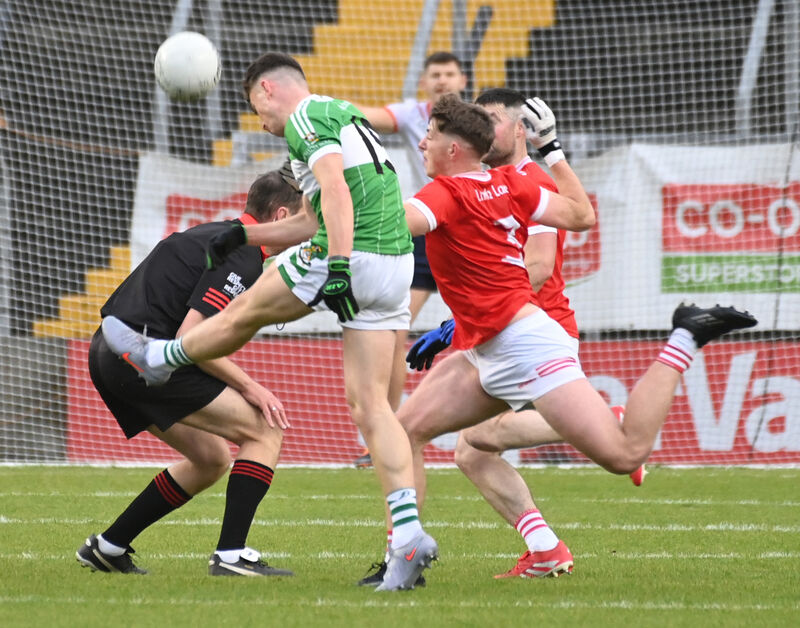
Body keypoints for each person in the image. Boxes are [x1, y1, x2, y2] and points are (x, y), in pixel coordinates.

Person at [100, 52, 438, 591]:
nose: (260, 123)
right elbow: (308, 219)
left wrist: (342, 263)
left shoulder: (304, 117)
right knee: (375, 409)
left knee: (244, 312)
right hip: (396, 263)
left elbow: (335, 192)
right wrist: (245, 237)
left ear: (267, 91)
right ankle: (407, 537)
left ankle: (160, 356)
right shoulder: (344, 115)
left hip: (353, 254)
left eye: (255, 110)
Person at [393, 94, 756, 578]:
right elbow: (582, 216)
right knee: (417, 434)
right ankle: (415, 556)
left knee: (622, 452)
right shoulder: (503, 182)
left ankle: (683, 339)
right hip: (492, 340)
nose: (423, 141)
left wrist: (331, 200)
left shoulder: (498, 183)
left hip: (529, 339)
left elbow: (536, 264)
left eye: (495, 119)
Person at [76, 168, 302, 577]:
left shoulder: (214, 234)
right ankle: (231, 555)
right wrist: (253, 388)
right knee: (265, 429)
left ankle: (108, 547)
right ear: (281, 216)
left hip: (106, 352)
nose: (309, 229)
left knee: (211, 458)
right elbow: (191, 338)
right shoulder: (244, 255)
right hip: (141, 357)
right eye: (304, 219)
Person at [353, 52, 468, 468]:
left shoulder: (477, 121)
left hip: (470, 228)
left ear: (463, 78)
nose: (442, 80)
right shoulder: (411, 114)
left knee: (491, 326)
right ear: (424, 82)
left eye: (449, 73)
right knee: (395, 328)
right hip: (427, 228)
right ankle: (387, 429)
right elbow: (365, 115)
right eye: (435, 74)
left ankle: (515, 419)